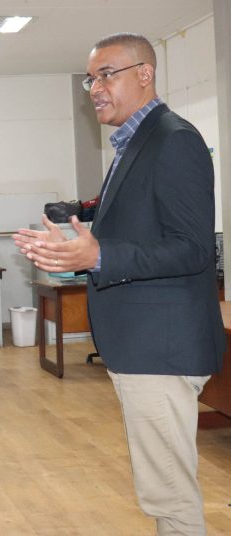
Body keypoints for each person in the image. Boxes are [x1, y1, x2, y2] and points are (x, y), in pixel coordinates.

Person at [14, 32, 225, 536]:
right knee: (162, 488)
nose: (95, 89)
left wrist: (100, 254)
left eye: (106, 75)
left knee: (169, 494)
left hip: (161, 349)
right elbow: (137, 230)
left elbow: (193, 248)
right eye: (90, 79)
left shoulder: (173, 140)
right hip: (144, 346)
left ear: (145, 74)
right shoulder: (135, 144)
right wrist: (79, 249)